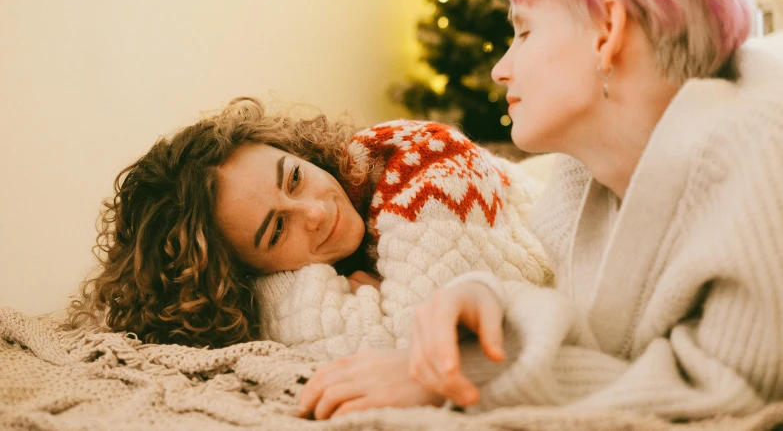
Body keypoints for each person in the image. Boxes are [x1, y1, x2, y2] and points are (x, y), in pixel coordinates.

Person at [296, 0, 783, 421]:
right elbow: (601, 340)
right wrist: (480, 300)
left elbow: (727, 389)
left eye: (523, 32)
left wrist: (458, 376)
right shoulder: (583, 180)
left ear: (607, 33)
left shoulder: (761, 156)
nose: (500, 70)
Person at [67, 97, 553, 355]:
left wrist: (377, 300)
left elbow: (420, 340)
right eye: (276, 231)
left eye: (295, 177)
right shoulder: (275, 276)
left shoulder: (415, 159)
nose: (316, 213)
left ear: (295, 151)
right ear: (244, 275)